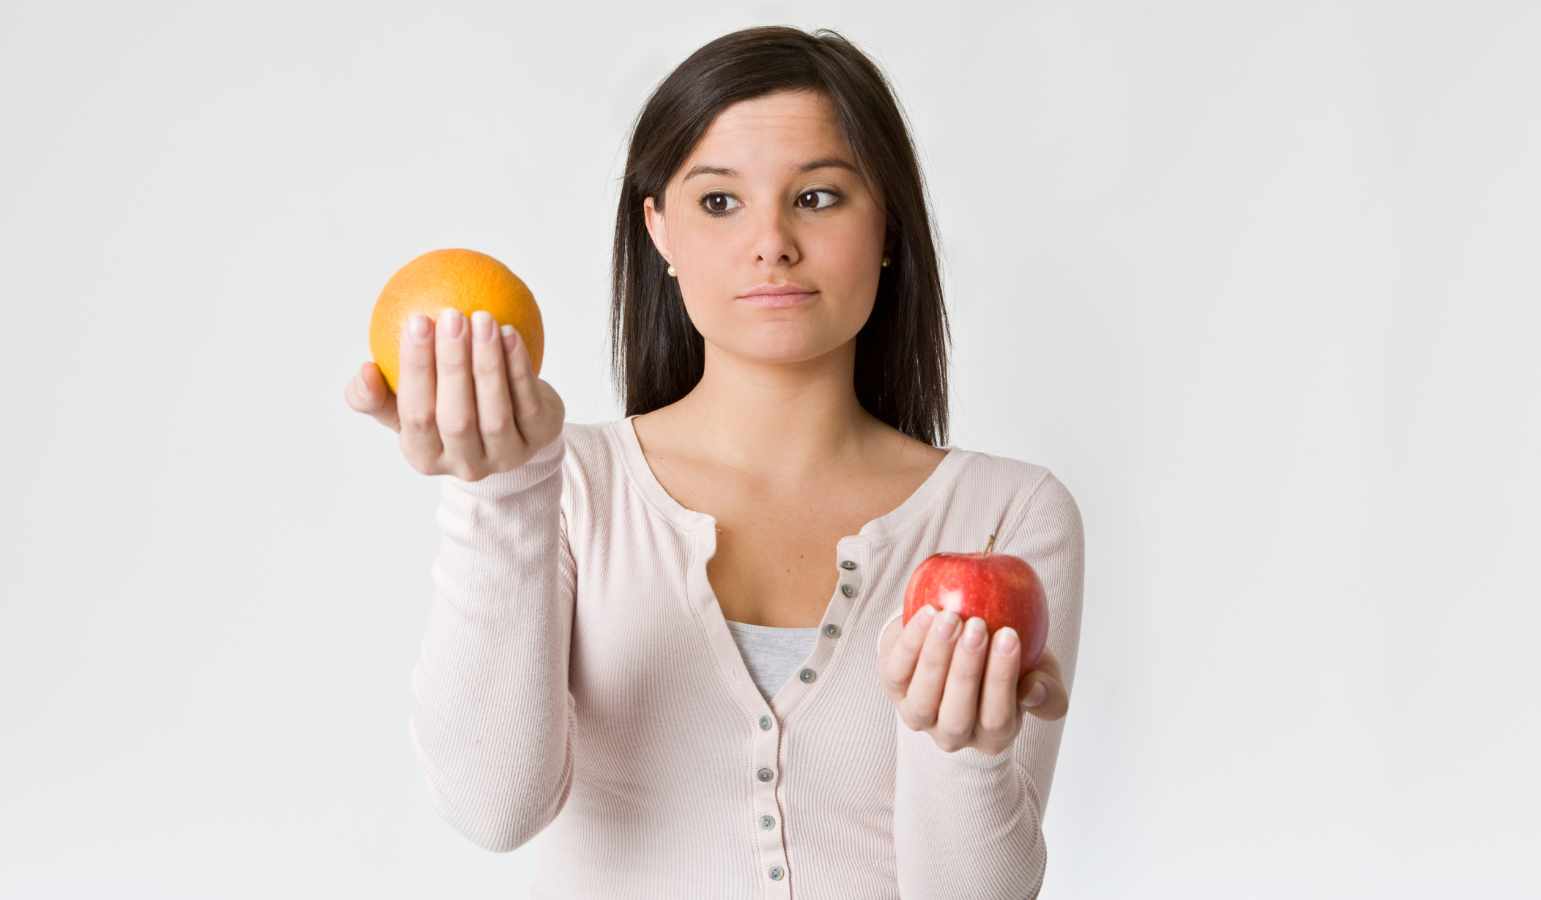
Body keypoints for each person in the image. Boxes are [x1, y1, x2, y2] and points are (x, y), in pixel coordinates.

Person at [346, 25, 1085, 899]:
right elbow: (491, 811)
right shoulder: (569, 484)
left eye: (817, 197)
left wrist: (965, 748)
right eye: (720, 202)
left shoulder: (1006, 515)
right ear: (658, 229)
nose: (771, 242)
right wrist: (501, 494)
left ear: (888, 223)